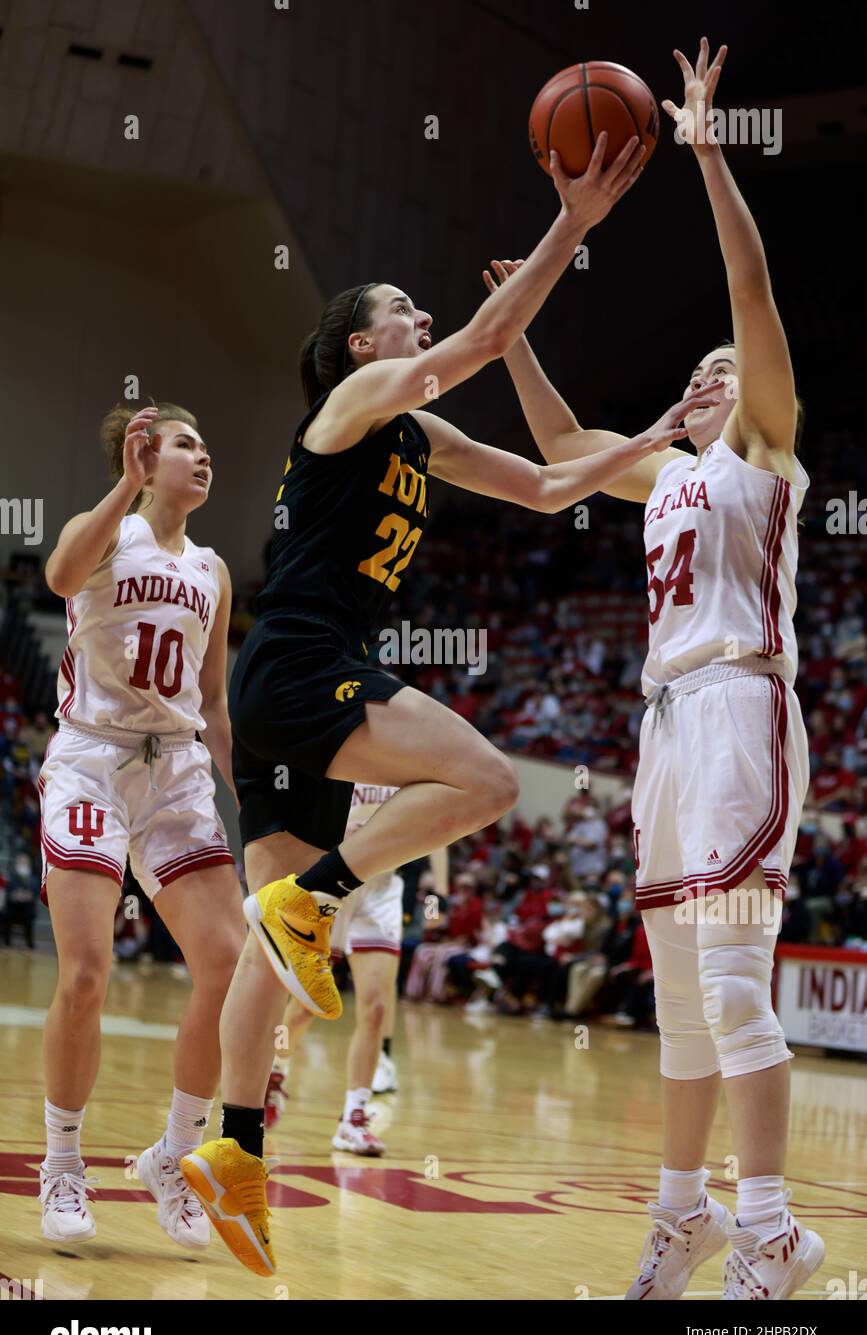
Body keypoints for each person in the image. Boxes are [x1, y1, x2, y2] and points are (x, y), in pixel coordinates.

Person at [180, 132, 722, 1277]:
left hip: (282, 684)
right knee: (478, 781)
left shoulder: (420, 434)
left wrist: (661, 437)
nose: (422, 320)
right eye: (403, 309)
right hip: (302, 661)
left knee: (265, 960)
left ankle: (231, 1149)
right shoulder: (358, 400)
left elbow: (540, 486)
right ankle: (323, 897)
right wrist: (571, 224)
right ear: (359, 342)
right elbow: (483, 338)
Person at [490, 38, 825, 1301]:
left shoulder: (767, 457)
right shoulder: (667, 473)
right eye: (693, 374)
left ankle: (776, 1230)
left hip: (742, 708)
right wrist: (514, 338)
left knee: (737, 986)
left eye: (719, 371)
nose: (705, 376)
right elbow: (567, 446)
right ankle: (683, 1217)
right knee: (680, 1000)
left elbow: (749, 286)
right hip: (666, 733)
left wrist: (705, 151)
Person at [38, 403, 245, 1250]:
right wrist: (121, 485)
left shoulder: (213, 568)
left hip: (176, 767)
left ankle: (175, 1154)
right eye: (187, 445)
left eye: (206, 445)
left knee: (227, 965)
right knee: (87, 973)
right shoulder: (107, 534)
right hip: (91, 756)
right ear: (145, 456)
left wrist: (250, 802)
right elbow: (56, 577)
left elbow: (217, 699)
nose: (203, 458)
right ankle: (61, 1166)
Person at [264, 784, 449, 1154]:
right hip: (334, 878)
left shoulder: (414, 754)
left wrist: (438, 893)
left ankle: (354, 1118)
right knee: (306, 1005)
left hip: (382, 887)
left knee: (377, 1008)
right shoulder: (348, 742)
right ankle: (275, 1068)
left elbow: (440, 825)